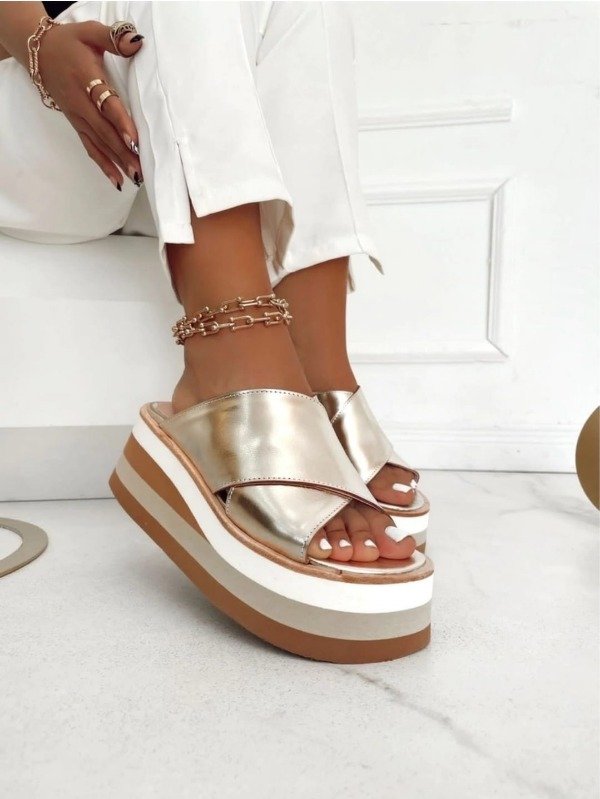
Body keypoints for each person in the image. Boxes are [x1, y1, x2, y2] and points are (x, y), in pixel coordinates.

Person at [0, 1, 433, 662]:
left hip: (133, 116)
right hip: (30, 108)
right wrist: (35, 40)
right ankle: (229, 363)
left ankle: (318, 372)